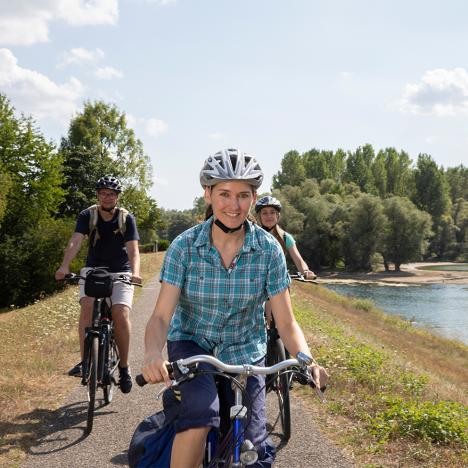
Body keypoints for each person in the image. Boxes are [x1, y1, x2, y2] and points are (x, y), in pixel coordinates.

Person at [141, 148, 328, 467]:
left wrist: (306, 360)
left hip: (245, 351)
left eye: (243, 195)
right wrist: (152, 354)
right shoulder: (184, 247)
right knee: (201, 413)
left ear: (254, 198)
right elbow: (160, 317)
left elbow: (286, 322)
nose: (234, 204)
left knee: (253, 447)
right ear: (208, 194)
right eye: (224, 194)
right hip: (193, 344)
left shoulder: (269, 250)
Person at [55, 175, 142, 394]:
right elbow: (76, 240)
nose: (107, 197)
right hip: (94, 270)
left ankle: (123, 368)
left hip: (121, 271)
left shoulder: (126, 218)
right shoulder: (88, 215)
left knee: (120, 313)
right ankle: (85, 362)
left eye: (111, 193)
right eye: (103, 193)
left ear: (117, 197)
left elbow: (133, 250)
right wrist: (64, 265)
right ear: (98, 195)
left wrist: (136, 273)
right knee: (87, 306)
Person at [255, 195, 316, 280]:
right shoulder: (253, 235)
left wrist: (306, 271)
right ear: (259, 216)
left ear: (277, 215)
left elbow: (298, 260)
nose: (269, 216)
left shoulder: (285, 237)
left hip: (278, 281)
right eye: (264, 213)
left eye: (272, 212)